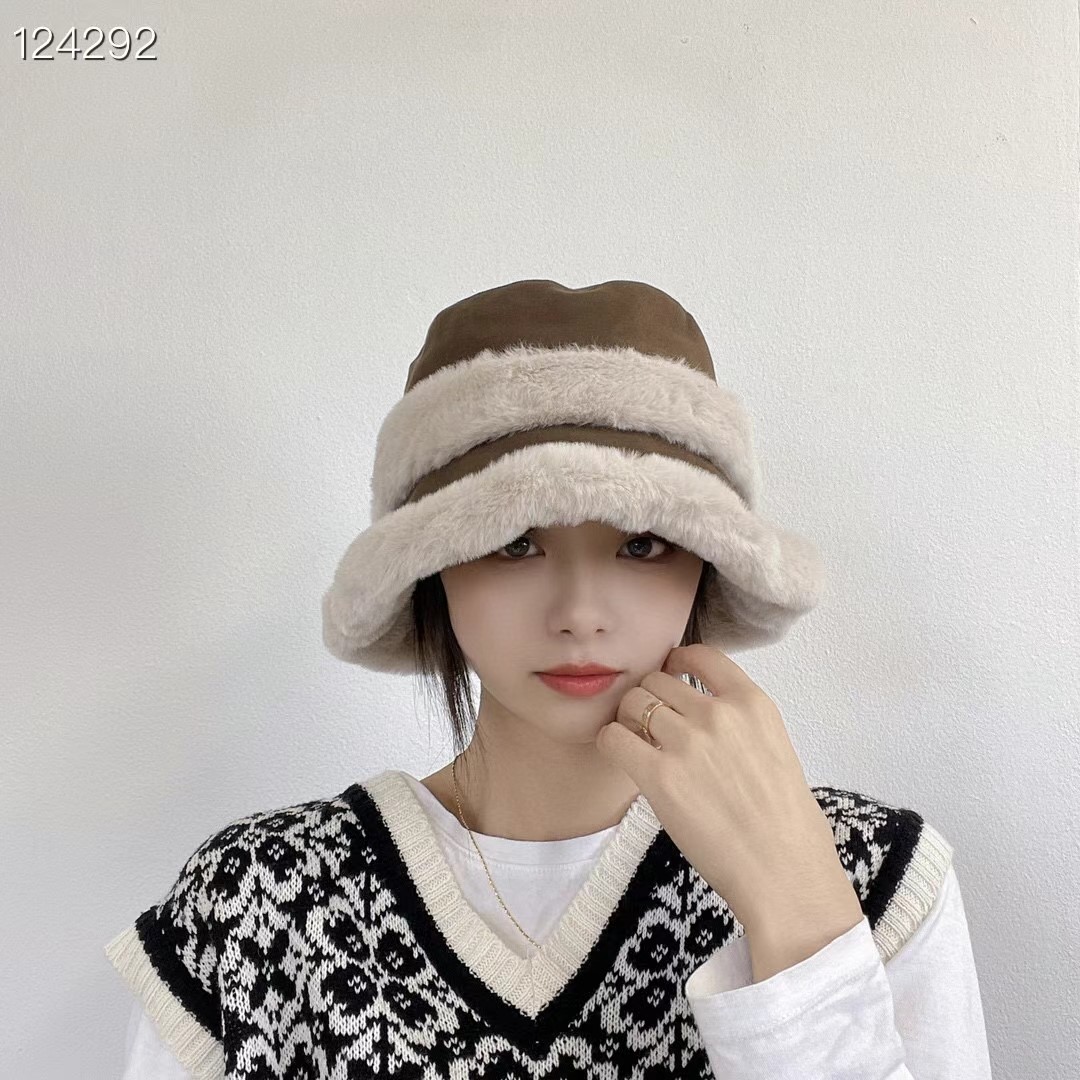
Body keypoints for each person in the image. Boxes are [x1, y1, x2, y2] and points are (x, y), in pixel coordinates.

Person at [105, 279, 993, 1078]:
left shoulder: (868, 874)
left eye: (641, 543)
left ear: (706, 564)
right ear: (433, 567)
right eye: (513, 541)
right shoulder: (258, 903)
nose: (580, 612)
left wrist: (796, 914)